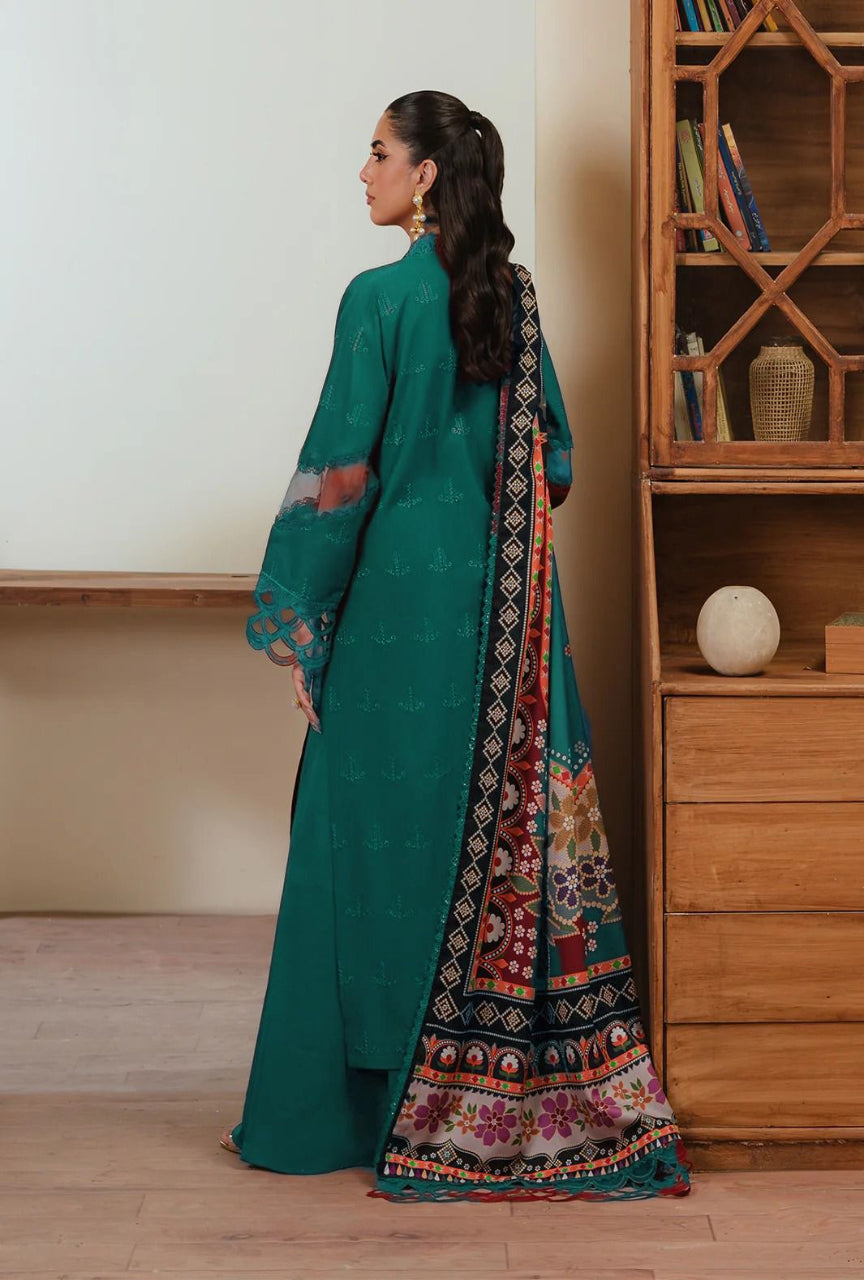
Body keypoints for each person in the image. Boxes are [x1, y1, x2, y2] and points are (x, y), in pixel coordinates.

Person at [221, 90, 693, 1201]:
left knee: (353, 846)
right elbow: (556, 463)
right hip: (499, 625)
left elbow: (342, 474)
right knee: (459, 847)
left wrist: (302, 618)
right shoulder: (511, 299)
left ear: (426, 174)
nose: (364, 172)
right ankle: (467, 1100)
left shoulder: (377, 299)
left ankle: (328, 1117)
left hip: (391, 615)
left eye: (378, 152)